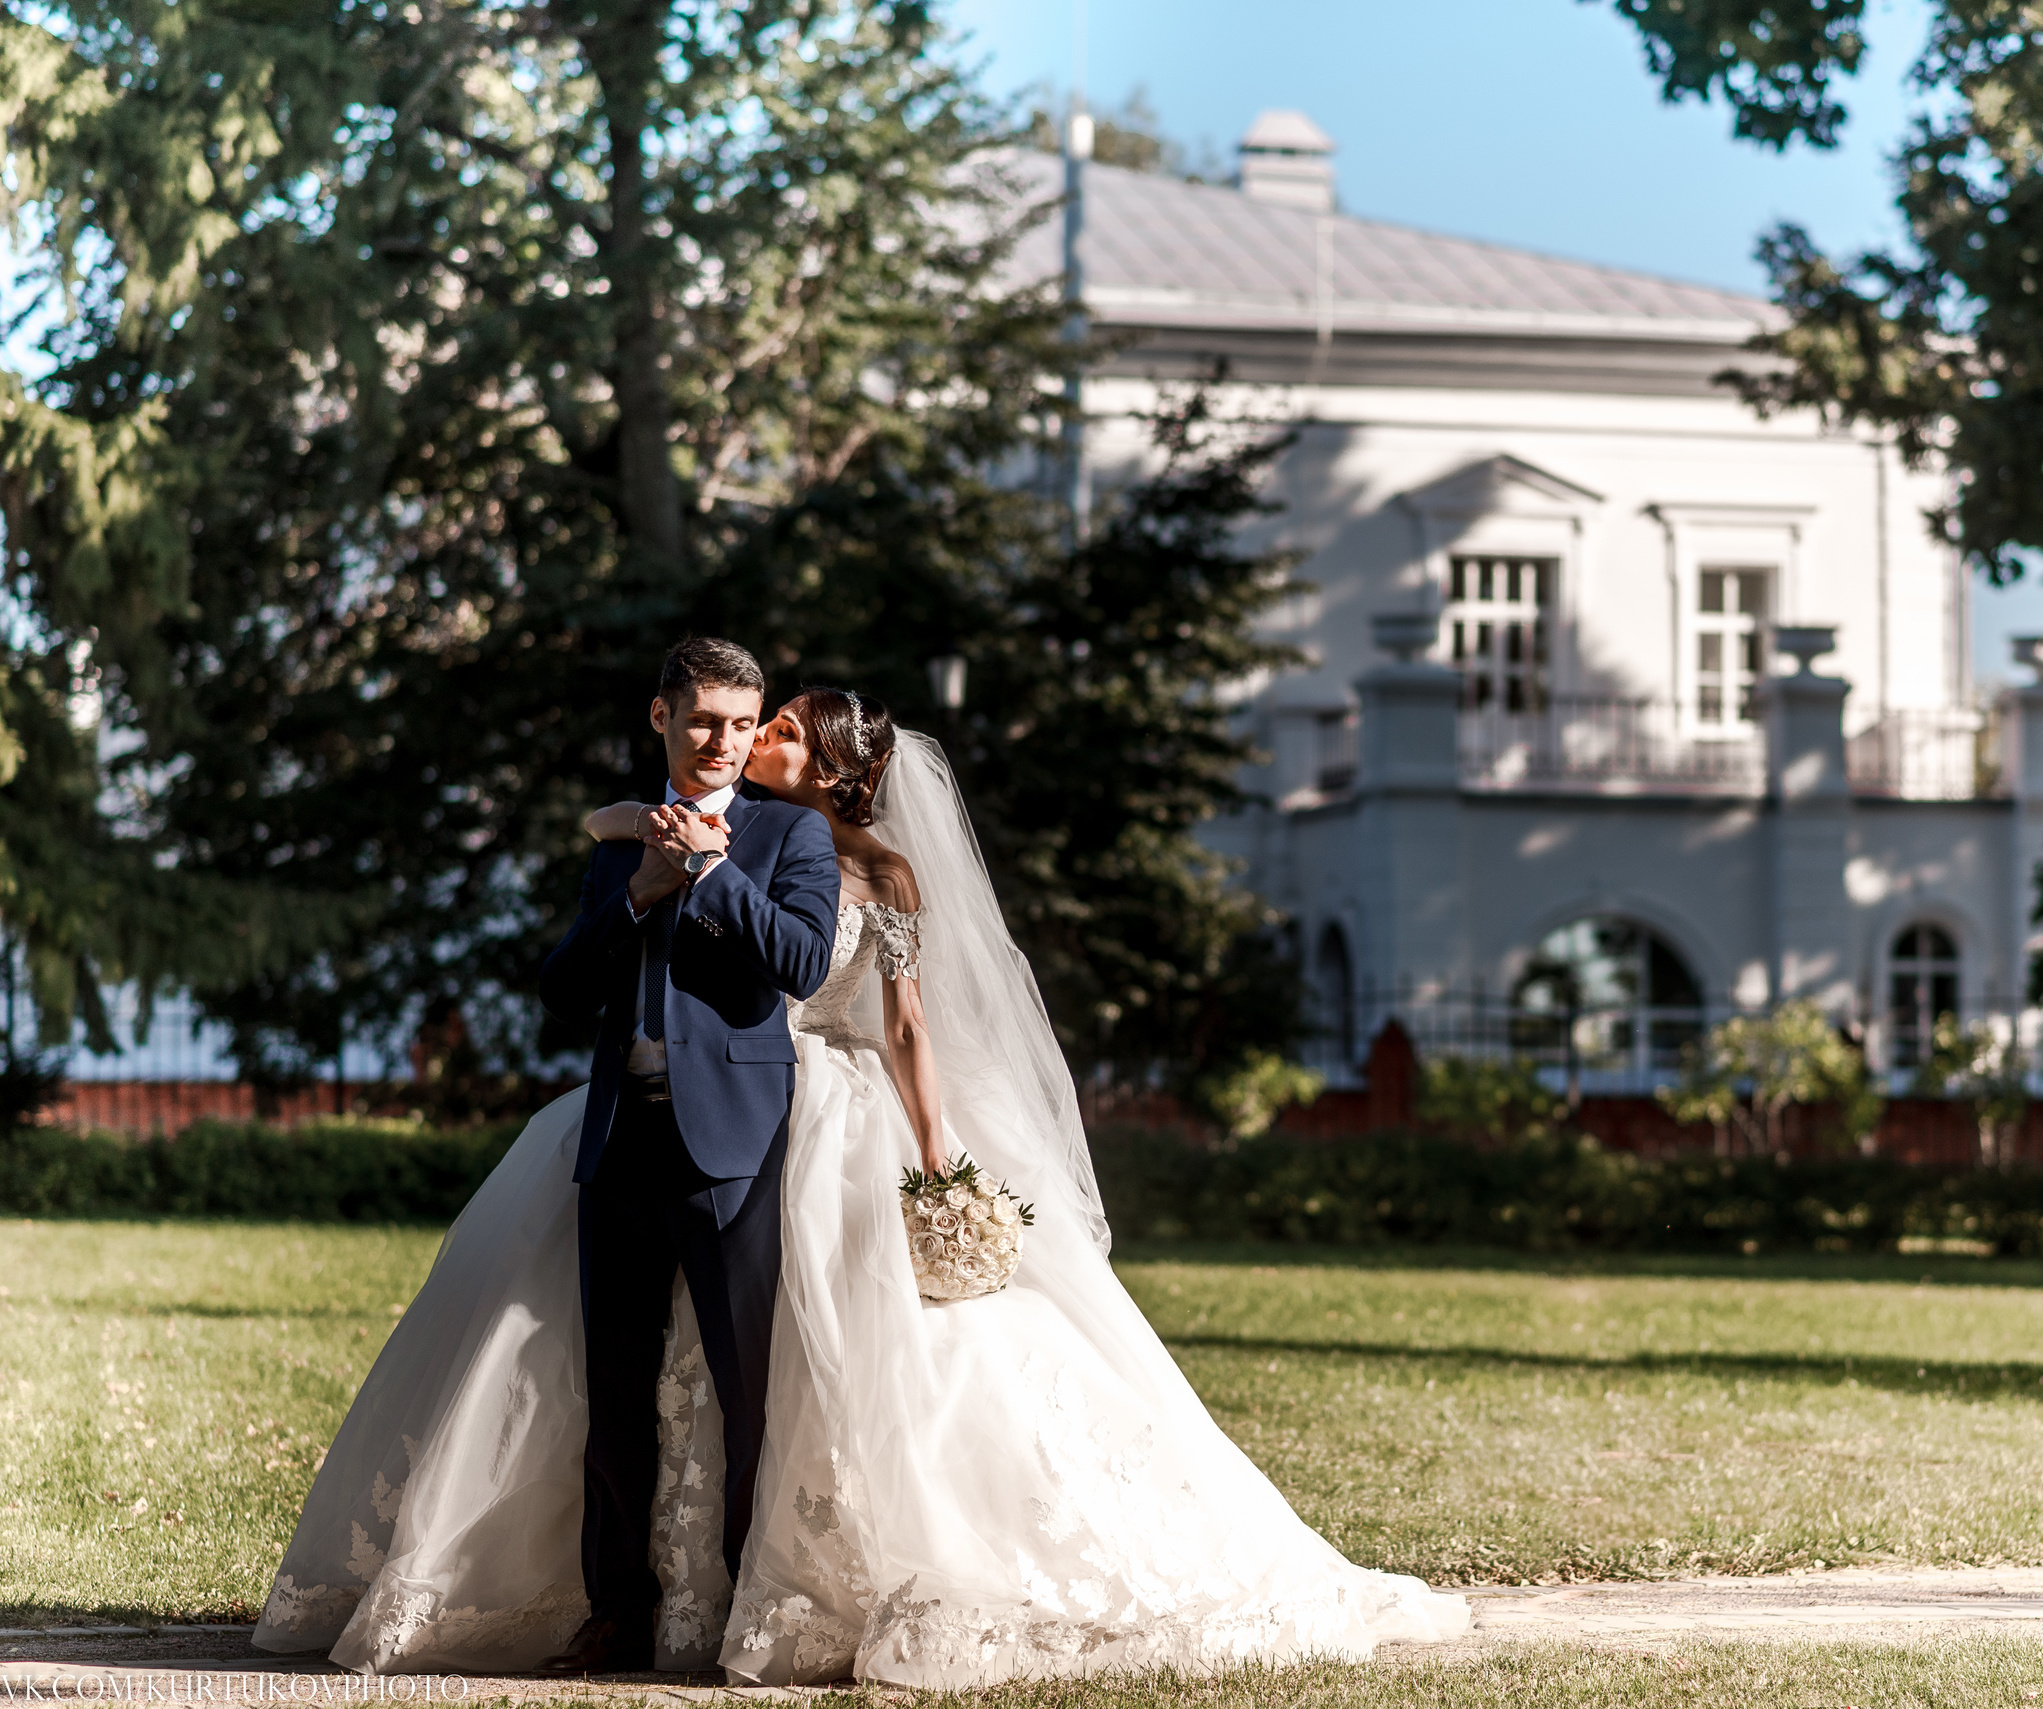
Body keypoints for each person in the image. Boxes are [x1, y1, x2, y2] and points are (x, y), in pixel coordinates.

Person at [250, 679, 1470, 1688]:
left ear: (832, 769)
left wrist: (937, 1158)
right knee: (624, 1355)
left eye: (782, 729)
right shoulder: (708, 826)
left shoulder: (879, 878)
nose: (758, 738)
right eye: (751, 720)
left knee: (833, 1358)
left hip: (831, 1117)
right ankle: (630, 1592)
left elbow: (908, 1027)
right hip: (713, 1102)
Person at [533, 638, 839, 1672]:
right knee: (615, 1389)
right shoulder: (620, 842)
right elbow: (563, 990)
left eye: (742, 724)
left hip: (734, 1143)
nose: (724, 741)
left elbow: (798, 962)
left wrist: (703, 872)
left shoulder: (791, 833)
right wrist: (636, 893)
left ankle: (747, 1606)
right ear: (659, 715)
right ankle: (617, 1608)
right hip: (622, 1137)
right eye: (704, 718)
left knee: (744, 1385)